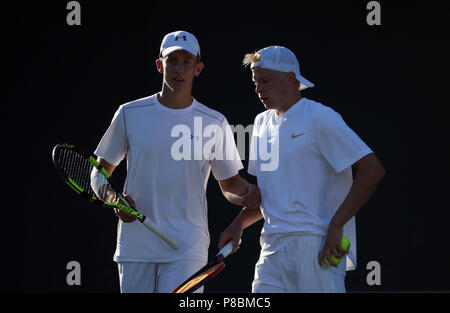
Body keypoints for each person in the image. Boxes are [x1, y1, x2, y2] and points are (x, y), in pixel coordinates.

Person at [94, 30, 261, 293]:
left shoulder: (214, 122)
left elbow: (230, 184)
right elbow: (98, 174)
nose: (178, 69)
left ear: (198, 68)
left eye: (186, 62)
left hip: (187, 249)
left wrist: (248, 195)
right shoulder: (129, 113)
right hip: (136, 248)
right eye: (172, 61)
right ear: (160, 65)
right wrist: (114, 200)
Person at [219, 46, 385, 292]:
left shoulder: (320, 117)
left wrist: (336, 225)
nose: (258, 89)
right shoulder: (261, 123)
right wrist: (239, 223)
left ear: (290, 78)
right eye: (255, 82)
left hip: (317, 247)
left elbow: (373, 169)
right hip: (271, 251)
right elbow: (272, 195)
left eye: (265, 81)